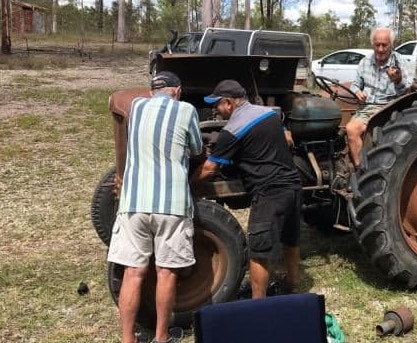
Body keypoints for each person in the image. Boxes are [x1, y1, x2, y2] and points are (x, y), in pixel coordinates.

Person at [107, 71, 203, 343]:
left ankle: (128, 338)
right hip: (171, 203)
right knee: (166, 272)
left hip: (133, 201)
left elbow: (119, 100)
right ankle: (161, 336)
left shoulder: (136, 106)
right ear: (178, 90)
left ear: (151, 92)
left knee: (133, 272)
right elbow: (196, 149)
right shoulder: (186, 110)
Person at [191, 79, 302, 299]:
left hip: (269, 192)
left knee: (258, 250)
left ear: (230, 103)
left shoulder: (232, 130)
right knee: (290, 238)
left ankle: (257, 302)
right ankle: (293, 284)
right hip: (293, 184)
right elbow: (286, 137)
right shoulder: (269, 114)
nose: (215, 110)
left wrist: (189, 184)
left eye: (217, 105)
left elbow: (210, 169)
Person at [346, 27, 417, 170]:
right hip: (368, 106)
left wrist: (397, 80)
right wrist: (357, 91)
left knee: (362, 129)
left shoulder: (399, 62)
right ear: (372, 44)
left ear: (391, 45)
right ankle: (360, 168)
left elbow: (408, 89)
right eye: (377, 44)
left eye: (385, 45)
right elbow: (355, 85)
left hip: (390, 106)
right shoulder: (365, 62)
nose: (380, 49)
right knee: (350, 129)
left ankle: (369, 170)